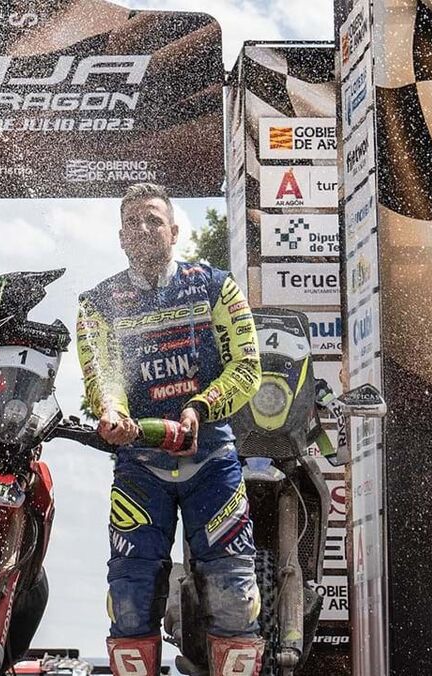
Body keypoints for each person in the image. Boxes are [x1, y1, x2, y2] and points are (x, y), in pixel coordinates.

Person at [76, 183, 264, 675]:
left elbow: (248, 367)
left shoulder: (216, 286)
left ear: (174, 231)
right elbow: (102, 379)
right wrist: (113, 414)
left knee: (234, 595)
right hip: (140, 467)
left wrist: (200, 406)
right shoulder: (97, 303)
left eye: (153, 220)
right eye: (132, 222)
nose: (143, 229)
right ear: (120, 237)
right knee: (130, 598)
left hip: (212, 460)